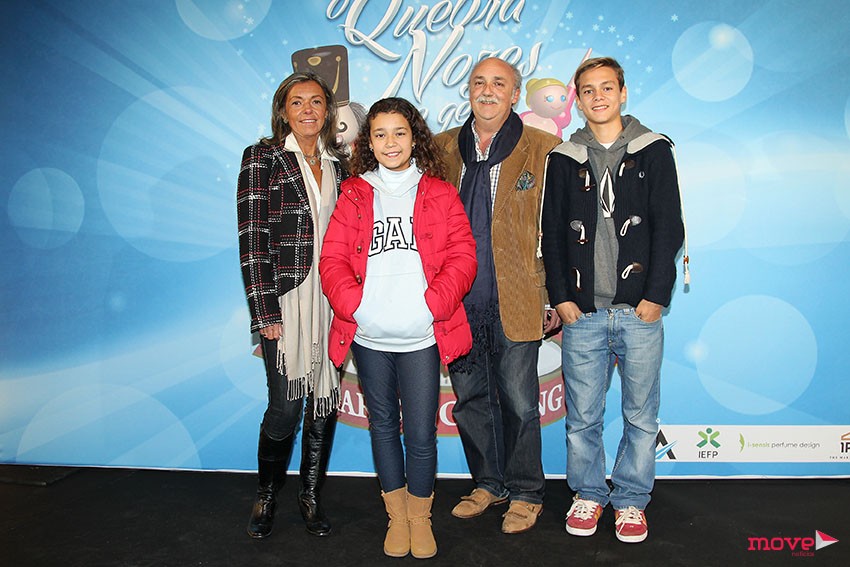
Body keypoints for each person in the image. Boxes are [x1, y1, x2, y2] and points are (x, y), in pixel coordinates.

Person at [320, 97, 477, 558]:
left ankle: (420, 517)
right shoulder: (354, 193)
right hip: (369, 337)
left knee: (422, 434)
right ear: (368, 142)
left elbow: (463, 256)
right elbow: (331, 260)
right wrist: (357, 307)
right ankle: (397, 517)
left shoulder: (439, 192)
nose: (391, 143)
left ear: (415, 138)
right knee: (384, 426)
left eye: (400, 133)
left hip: (422, 336)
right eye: (380, 134)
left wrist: (433, 306)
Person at [541, 57, 686, 544]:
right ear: (578, 100)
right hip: (582, 314)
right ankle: (587, 493)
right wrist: (561, 297)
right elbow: (551, 233)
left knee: (640, 414)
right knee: (582, 416)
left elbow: (669, 228)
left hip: (639, 311)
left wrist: (656, 295)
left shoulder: (654, 150)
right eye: (588, 90)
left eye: (607, 87)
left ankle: (630, 500)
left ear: (623, 93)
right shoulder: (564, 158)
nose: (598, 96)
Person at [434, 57, 562, 534]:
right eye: (479, 82)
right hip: (458, 300)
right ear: (468, 90)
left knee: (520, 402)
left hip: (519, 296)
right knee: (470, 399)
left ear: (515, 94)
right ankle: (488, 483)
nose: (487, 91)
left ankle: (526, 492)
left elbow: (556, 231)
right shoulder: (442, 148)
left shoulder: (544, 149)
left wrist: (552, 294)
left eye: (499, 83)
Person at [237, 71, 349, 539]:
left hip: (332, 300)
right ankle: (266, 494)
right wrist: (264, 312)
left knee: (323, 401)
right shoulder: (262, 158)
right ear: (283, 110)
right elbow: (252, 239)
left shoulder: (340, 165)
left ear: (327, 110)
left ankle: (310, 496)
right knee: (285, 407)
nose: (308, 110)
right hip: (285, 299)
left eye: (316, 101)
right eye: (297, 101)